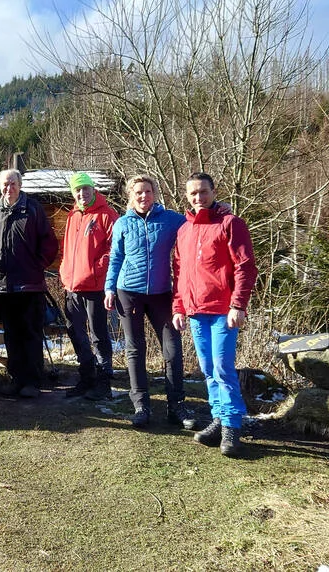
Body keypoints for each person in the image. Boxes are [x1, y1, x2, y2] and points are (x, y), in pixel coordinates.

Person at [170, 172, 258, 457]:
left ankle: (232, 426)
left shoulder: (230, 223)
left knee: (222, 368)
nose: (199, 197)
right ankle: (218, 418)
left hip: (223, 311)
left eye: (203, 192)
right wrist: (179, 307)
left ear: (213, 191)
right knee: (208, 369)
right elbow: (180, 273)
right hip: (196, 311)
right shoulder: (184, 230)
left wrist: (238, 305)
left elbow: (245, 267)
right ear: (187, 196)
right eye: (193, 193)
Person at [104, 174, 189, 428]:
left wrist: (220, 209)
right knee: (135, 348)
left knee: (172, 348)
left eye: (148, 191)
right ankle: (141, 406)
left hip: (162, 293)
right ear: (131, 195)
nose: (143, 196)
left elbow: (197, 223)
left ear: (155, 194)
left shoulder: (171, 220)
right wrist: (109, 288)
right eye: (138, 192)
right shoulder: (122, 223)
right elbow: (115, 258)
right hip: (128, 293)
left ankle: (177, 406)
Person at [0, 169, 59, 398]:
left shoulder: (33, 209)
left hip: (30, 285)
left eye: (13, 183)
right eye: (5, 184)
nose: (9, 188)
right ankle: (16, 380)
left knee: (31, 333)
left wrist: (37, 265)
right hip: (4, 285)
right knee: (11, 335)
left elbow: (50, 243)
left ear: (20, 185)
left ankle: (32, 382)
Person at [59, 172, 119, 401]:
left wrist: (97, 268)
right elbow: (67, 249)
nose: (82, 193)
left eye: (86, 189)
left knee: (98, 334)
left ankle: (103, 383)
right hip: (72, 285)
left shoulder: (107, 214)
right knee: (75, 331)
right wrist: (65, 270)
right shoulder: (73, 215)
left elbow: (116, 248)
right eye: (78, 190)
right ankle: (87, 377)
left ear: (93, 190)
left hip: (95, 285)